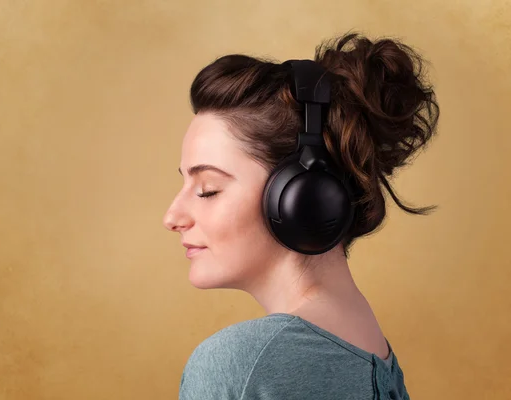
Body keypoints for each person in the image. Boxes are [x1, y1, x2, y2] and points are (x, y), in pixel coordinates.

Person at [163, 32, 439, 400]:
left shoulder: (243, 366)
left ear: (303, 196)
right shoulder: (374, 353)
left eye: (208, 189)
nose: (172, 216)